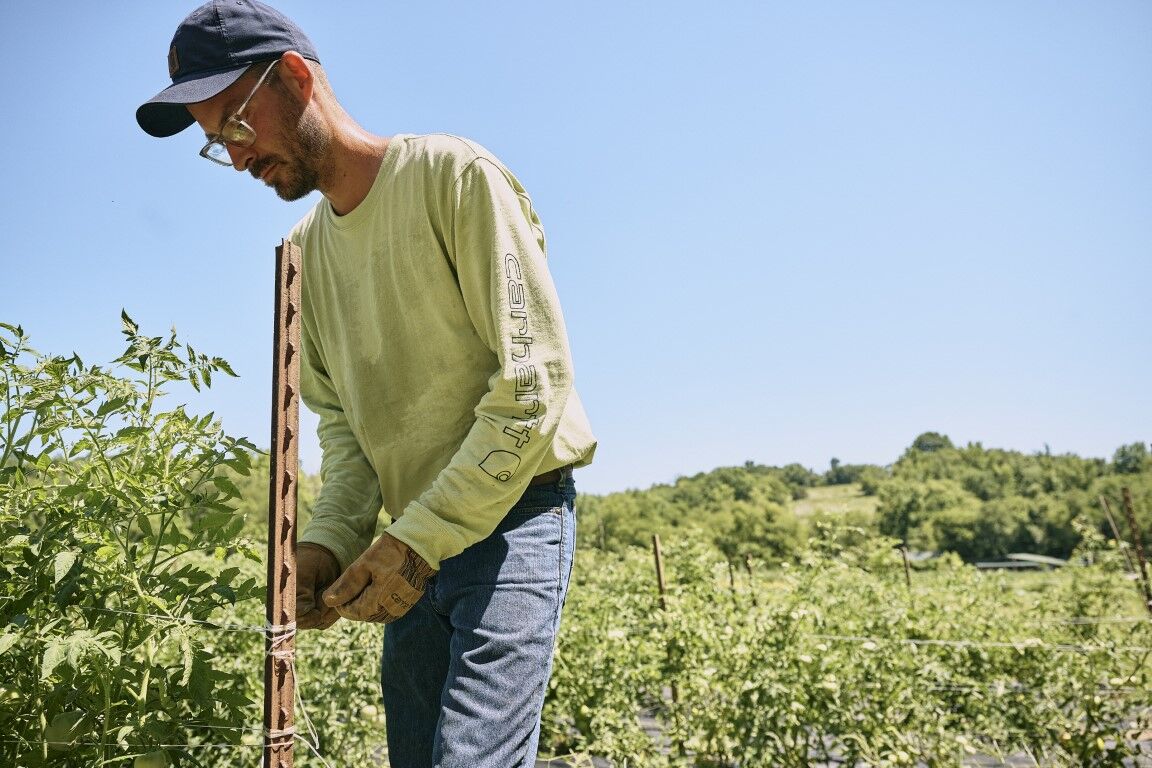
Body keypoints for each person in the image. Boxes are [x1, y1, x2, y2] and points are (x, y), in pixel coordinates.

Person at [136, 2, 597, 765]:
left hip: (514, 516)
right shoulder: (304, 257)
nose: (238, 158)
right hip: (409, 538)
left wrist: (415, 540)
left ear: (293, 77)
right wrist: (327, 541)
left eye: (237, 125)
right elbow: (347, 433)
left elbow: (534, 385)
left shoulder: (452, 177)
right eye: (219, 145)